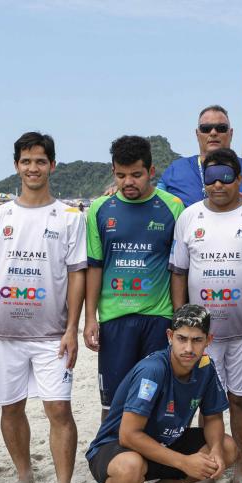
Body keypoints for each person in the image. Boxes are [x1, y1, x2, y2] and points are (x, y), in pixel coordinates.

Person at [0, 132, 87, 483]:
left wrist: (72, 327)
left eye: (40, 161)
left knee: (58, 412)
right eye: (26, 161)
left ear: (52, 165)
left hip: (52, 334)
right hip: (4, 334)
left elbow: (76, 276)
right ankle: (24, 476)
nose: (33, 168)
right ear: (17, 166)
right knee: (10, 409)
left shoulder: (70, 217)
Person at [169, 148, 242, 483]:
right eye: (211, 177)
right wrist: (182, 322)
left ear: (240, 180)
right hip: (204, 338)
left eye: (226, 176)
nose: (218, 183)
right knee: (207, 404)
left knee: (241, 400)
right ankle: (211, 467)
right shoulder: (190, 217)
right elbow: (179, 272)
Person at [85, 304, 237, 483]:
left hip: (166, 442)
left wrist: (216, 451)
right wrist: (185, 462)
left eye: (197, 340)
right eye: (182, 339)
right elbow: (128, 435)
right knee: (129, 467)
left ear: (209, 340)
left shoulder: (206, 365)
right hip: (116, 447)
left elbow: (213, 417)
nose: (189, 348)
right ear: (169, 337)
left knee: (227, 448)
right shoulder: (153, 370)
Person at [84, 136, 184, 420]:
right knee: (113, 402)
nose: (128, 182)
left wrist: (178, 315)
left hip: (159, 317)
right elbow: (95, 266)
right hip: (115, 318)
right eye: (121, 175)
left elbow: (180, 268)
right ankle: (110, 457)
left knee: (156, 397)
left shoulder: (173, 207)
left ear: (151, 172)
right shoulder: (99, 209)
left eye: (136, 175)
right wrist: (90, 317)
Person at [159, 105, 242, 207]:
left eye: (221, 128)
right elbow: (154, 202)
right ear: (197, 134)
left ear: (230, 133)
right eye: (206, 128)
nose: (213, 133)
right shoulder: (176, 169)